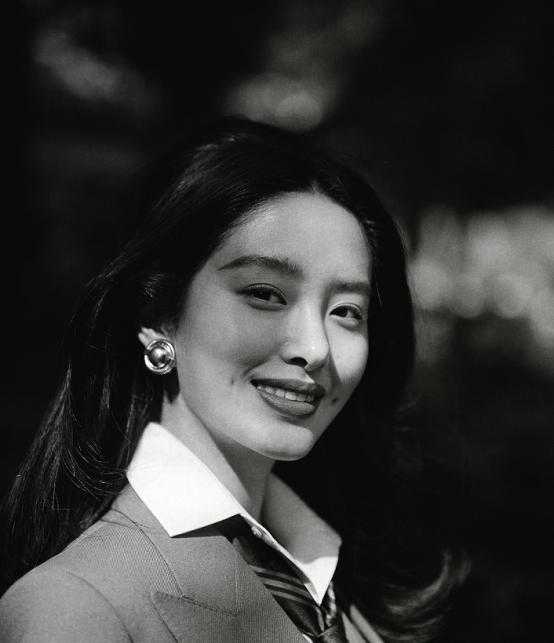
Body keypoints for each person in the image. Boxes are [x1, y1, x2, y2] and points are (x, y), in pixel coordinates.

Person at [0, 118, 467, 641]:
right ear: (157, 315)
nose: (315, 348)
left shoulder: (340, 581)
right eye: (265, 294)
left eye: (346, 312)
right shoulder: (75, 608)